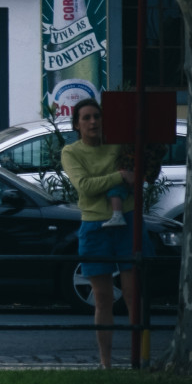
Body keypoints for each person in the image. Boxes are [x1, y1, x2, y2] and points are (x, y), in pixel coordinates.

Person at [60, 98, 144, 368]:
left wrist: (123, 176)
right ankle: (106, 363)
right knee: (103, 298)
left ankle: (139, 359)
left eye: (97, 116)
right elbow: (84, 186)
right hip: (95, 226)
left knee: (133, 295)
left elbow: (138, 172)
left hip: (127, 222)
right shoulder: (71, 152)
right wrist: (119, 176)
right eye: (86, 117)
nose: (93, 121)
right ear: (76, 124)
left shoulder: (117, 145)